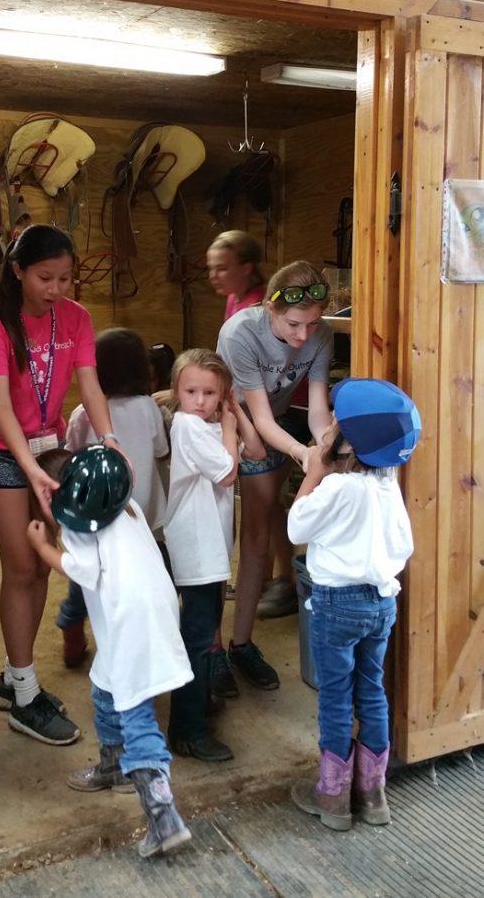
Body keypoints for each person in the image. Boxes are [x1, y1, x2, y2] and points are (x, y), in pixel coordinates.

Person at [0, 224, 120, 746]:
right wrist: (26, 466)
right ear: (17, 271)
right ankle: (25, 694)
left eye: (65, 277)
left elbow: (90, 386)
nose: (57, 288)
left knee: (43, 571)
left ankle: (16, 681)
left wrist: (109, 438)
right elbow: (1, 408)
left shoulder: (76, 317)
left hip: (48, 449)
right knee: (23, 565)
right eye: (45, 277)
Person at [28, 446, 193, 858]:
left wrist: (43, 545)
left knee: (136, 713)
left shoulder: (82, 528)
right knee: (105, 689)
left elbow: (79, 569)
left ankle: (164, 817)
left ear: (56, 496)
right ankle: (114, 766)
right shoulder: (125, 506)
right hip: (152, 612)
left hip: (130, 625)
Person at [288, 378, 421, 831]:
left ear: (347, 441)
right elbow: (403, 548)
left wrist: (313, 472)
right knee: (373, 694)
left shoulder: (337, 489)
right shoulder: (387, 486)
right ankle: (373, 793)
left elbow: (296, 529)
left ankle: (332, 797)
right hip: (381, 604)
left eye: (334, 424)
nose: (327, 428)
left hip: (335, 606)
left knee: (336, 698)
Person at [215, 261, 334, 694]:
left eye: (313, 323)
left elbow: (318, 409)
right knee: (216, 542)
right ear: (270, 307)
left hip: (276, 432)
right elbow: (257, 416)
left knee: (258, 538)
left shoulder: (320, 336)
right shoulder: (240, 334)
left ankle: (241, 644)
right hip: (227, 428)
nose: (304, 336)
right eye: (294, 324)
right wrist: (305, 453)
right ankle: (211, 654)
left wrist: (326, 446)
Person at [164, 349, 264, 762]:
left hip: (212, 547)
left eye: (210, 393)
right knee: (198, 636)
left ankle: (200, 702)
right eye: (191, 391)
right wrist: (226, 427)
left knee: (204, 633)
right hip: (195, 546)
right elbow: (227, 473)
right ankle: (187, 729)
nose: (199, 401)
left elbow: (255, 452)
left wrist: (235, 415)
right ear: (177, 392)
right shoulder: (187, 426)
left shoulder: (212, 425)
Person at [57, 328, 169, 667]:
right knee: (147, 576)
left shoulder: (82, 413)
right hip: (143, 520)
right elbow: (161, 451)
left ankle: (73, 630)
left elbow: (69, 460)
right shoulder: (148, 408)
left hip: (96, 521)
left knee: (89, 577)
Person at [206, 229, 266, 322]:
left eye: (222, 269)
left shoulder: (257, 309)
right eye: (210, 268)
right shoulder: (233, 296)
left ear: (246, 269)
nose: (212, 276)